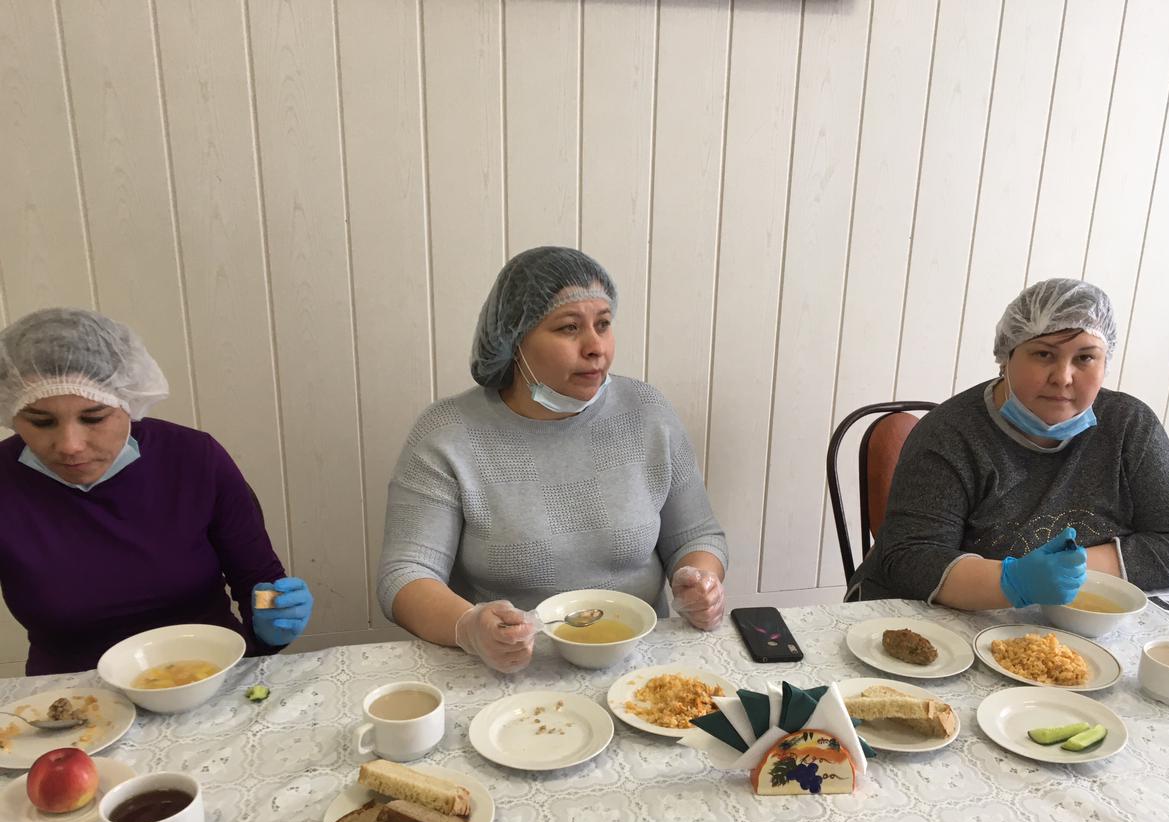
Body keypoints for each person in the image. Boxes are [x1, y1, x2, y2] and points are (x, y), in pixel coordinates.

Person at [378, 246, 728, 673]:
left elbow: (697, 536)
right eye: (569, 328)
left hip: (642, 667)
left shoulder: (647, 413)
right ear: (514, 340)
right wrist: (469, 627)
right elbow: (405, 575)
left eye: (603, 324)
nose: (596, 347)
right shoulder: (447, 434)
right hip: (509, 673)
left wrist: (700, 582)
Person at [849, 278, 1169, 610]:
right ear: (1007, 357)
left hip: (1062, 624)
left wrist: (1072, 569)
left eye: (1085, 357)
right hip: (940, 621)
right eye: (1043, 354)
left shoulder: (1130, 425)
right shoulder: (951, 433)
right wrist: (1015, 581)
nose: (1063, 378)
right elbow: (911, 559)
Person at [0, 308, 314, 675]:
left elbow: (259, 584)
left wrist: (271, 629)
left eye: (94, 417)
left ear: (129, 402)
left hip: (208, 675)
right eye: (41, 421)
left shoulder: (194, 458)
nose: (70, 445)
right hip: (70, 693)